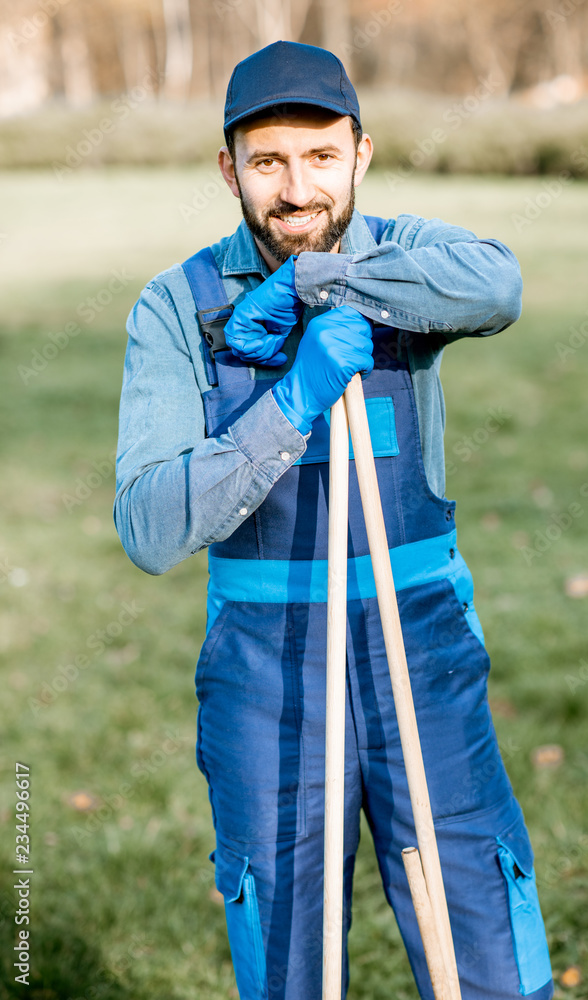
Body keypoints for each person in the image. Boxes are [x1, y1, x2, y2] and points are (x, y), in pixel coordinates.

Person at [114, 39, 553, 1000]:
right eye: (267, 161)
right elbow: (147, 527)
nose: (296, 187)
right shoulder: (178, 307)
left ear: (360, 152)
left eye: (320, 155)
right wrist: (291, 402)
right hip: (265, 663)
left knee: (476, 920)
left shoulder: (409, 259)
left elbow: (499, 286)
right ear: (229, 168)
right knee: (287, 945)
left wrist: (320, 285)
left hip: (421, 643)